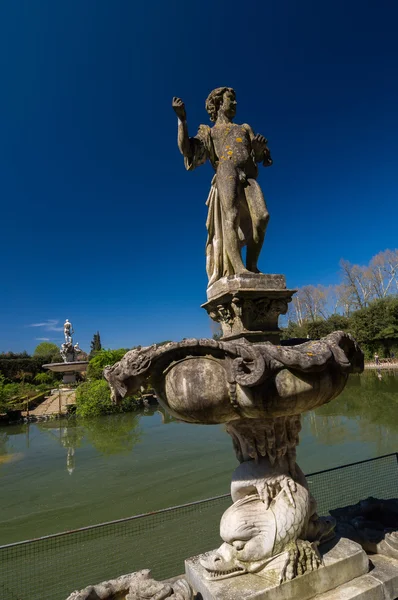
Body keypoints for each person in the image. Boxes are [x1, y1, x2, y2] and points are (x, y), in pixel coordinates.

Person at [172, 88, 272, 286]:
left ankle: (252, 266)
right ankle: (239, 268)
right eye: (230, 100)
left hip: (247, 176)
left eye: (235, 100)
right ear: (218, 104)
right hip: (226, 171)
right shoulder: (209, 132)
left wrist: (259, 152)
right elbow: (187, 150)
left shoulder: (244, 128)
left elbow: (260, 158)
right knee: (231, 216)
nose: (235, 104)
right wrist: (182, 120)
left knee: (262, 217)